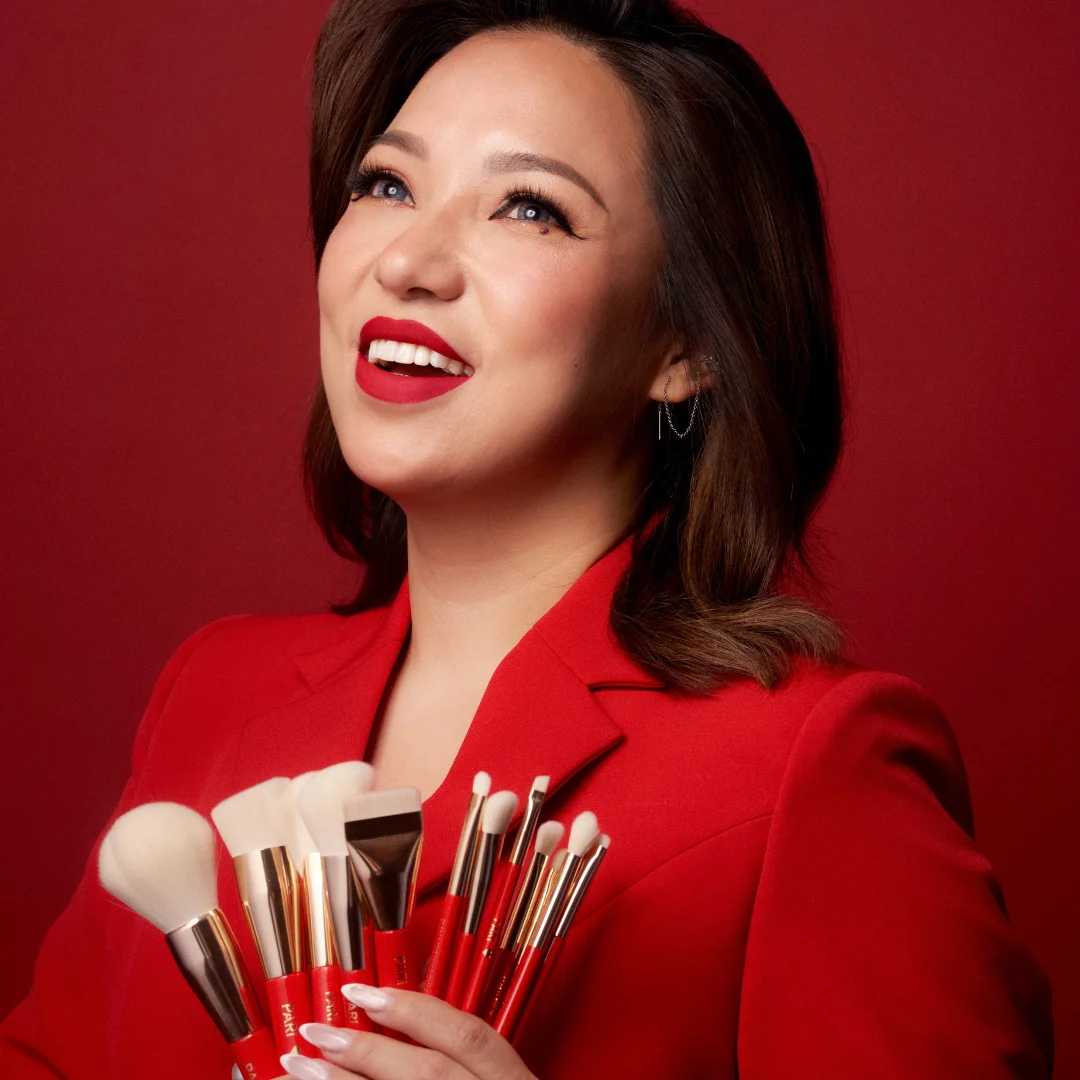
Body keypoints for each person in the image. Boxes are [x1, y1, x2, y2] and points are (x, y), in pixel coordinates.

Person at [0, 0, 1054, 1077]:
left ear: (687, 345)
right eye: (386, 185)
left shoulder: (810, 767)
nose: (408, 260)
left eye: (529, 208)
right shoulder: (211, 694)